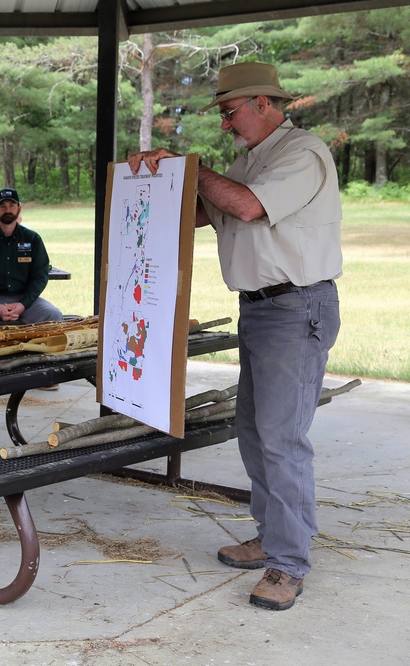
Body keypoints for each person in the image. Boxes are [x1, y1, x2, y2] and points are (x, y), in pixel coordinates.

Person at [128, 61, 342, 611]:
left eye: (229, 111)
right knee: (254, 432)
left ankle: (289, 563)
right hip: (261, 309)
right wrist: (156, 179)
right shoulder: (251, 161)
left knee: (281, 439)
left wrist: (191, 168)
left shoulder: (302, 153)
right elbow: (203, 213)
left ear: (264, 104)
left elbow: (245, 205)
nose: (225, 123)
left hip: (295, 309)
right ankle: (273, 537)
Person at [0, 188, 62, 329]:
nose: (7, 210)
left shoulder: (33, 239)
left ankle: (42, 351)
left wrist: (23, 305)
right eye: (3, 206)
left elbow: (40, 276)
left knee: (53, 314)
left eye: (11, 206)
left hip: (25, 300)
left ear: (19, 208)